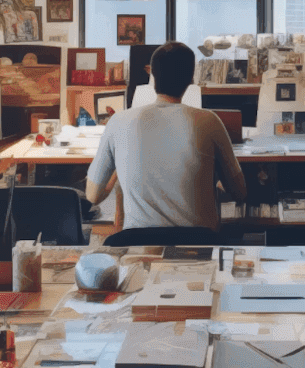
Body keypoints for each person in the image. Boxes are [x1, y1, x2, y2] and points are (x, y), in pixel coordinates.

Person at [86, 41, 247, 231]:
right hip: (197, 246)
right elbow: (240, 192)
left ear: (152, 75)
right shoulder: (209, 121)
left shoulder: (118, 122)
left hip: (139, 246)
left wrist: (120, 167)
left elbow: (93, 196)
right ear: (191, 79)